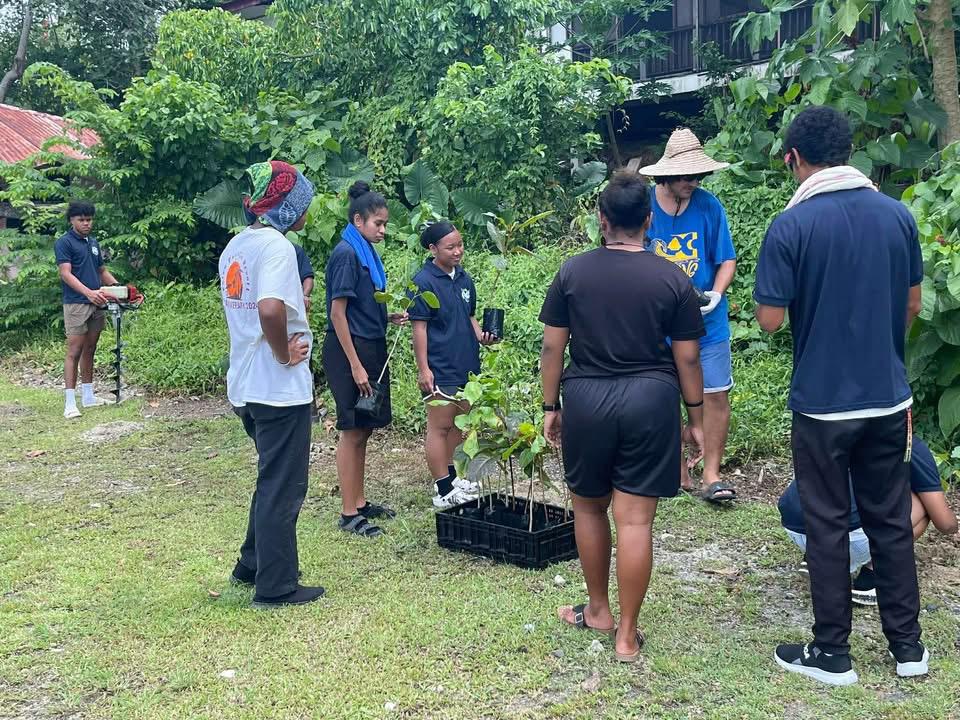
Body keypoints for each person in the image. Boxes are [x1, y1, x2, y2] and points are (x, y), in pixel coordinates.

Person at [754, 106, 926, 684]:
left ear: (793, 159)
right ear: (849, 151)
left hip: (823, 402)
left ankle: (832, 654)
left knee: (826, 522)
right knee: (890, 520)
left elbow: (771, 321)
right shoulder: (897, 215)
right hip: (888, 399)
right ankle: (909, 650)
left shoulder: (791, 225)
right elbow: (912, 306)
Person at [539, 170, 706, 663]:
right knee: (635, 524)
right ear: (648, 220)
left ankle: (597, 610)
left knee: (588, 508)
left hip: (587, 398)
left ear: (602, 219)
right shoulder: (672, 277)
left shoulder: (572, 272)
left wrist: (551, 406)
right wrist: (695, 417)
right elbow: (689, 358)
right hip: (651, 400)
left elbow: (553, 345)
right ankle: (627, 636)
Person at [219, 160, 325, 608]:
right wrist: (284, 354)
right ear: (287, 207)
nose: (308, 210)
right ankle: (276, 585)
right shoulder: (278, 248)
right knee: (284, 485)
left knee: (271, 478)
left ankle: (250, 564)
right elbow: (268, 309)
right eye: (303, 201)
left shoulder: (236, 247)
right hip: (276, 387)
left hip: (245, 384)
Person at [640, 129, 738, 504]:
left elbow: (725, 259)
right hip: (658, 323)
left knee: (715, 395)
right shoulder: (645, 208)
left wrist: (717, 292)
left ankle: (712, 473)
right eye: (684, 176)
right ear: (665, 175)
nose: (691, 182)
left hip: (707, 322)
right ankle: (678, 470)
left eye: (696, 176)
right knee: (665, 395)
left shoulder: (709, 206)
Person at [779, 437, 958, 606]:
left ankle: (816, 560)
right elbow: (944, 523)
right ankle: (873, 577)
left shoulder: (839, 424)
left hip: (796, 527)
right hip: (850, 536)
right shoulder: (907, 440)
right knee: (926, 505)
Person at [322, 181, 406, 538]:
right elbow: (338, 313)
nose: (383, 230)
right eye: (378, 224)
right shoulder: (346, 253)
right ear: (358, 221)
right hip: (348, 351)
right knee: (351, 429)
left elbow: (360, 304)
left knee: (365, 427)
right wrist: (355, 365)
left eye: (385, 224)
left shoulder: (366, 253)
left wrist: (387, 316)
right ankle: (347, 512)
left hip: (370, 343)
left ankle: (359, 501)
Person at [409, 221, 495, 509]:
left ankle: (456, 478)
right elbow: (419, 328)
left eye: (460, 245)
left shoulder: (464, 279)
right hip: (440, 365)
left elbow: (470, 317)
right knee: (440, 426)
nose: (458, 251)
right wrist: (424, 369)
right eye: (451, 247)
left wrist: (482, 336)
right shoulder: (423, 281)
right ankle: (442, 488)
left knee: (461, 425)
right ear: (433, 249)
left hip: (466, 364)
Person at [55, 201, 119, 419]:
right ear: (71, 220)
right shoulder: (64, 243)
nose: (86, 223)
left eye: (89, 219)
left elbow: (101, 270)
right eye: (81, 219)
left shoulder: (92, 243)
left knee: (91, 348)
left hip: (97, 302)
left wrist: (121, 289)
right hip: (76, 303)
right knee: (74, 351)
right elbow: (65, 273)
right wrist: (87, 293)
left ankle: (89, 396)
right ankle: (70, 402)